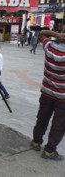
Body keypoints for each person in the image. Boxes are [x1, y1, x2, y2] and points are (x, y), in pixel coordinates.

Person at [30, 30, 65, 161]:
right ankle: (49, 151)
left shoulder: (49, 47)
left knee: (42, 118)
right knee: (59, 125)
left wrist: (56, 34)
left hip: (46, 93)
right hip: (62, 98)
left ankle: (36, 142)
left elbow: (41, 33)